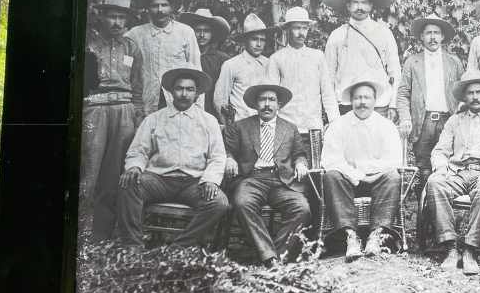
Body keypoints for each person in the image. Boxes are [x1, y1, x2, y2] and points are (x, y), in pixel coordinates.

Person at [116, 67, 228, 248]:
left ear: (197, 93)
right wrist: (135, 167)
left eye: (190, 89)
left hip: (193, 182)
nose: (184, 94)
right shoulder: (154, 119)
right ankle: (133, 246)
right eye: (179, 88)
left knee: (218, 203)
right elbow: (138, 151)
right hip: (158, 180)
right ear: (171, 91)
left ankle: (179, 246)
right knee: (128, 184)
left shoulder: (209, 121)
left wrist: (210, 181)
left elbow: (217, 156)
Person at [426, 71, 480, 276]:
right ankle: (450, 247)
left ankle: (470, 249)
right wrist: (441, 168)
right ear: (464, 97)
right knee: (434, 182)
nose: (475, 97)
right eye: (470, 93)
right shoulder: (454, 121)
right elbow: (440, 151)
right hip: (457, 172)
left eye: (479, 92)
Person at [79, 0, 144, 242]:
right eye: (112, 16)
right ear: (102, 17)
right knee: (89, 172)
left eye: (121, 17)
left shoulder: (131, 47)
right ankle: (80, 232)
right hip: (95, 111)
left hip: (125, 112)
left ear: (127, 20)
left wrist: (137, 116)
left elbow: (138, 86)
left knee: (113, 174)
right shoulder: (90, 44)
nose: (116, 22)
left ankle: (101, 234)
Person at [223, 84, 312, 267]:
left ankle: (277, 256)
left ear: (279, 104)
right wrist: (229, 158)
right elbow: (228, 150)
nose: (267, 104)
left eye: (271, 100)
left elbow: (300, 153)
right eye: (262, 100)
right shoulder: (241, 127)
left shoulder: (289, 128)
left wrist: (301, 163)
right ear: (256, 104)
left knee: (302, 209)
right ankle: (268, 256)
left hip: (281, 181)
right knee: (242, 203)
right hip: (251, 179)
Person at [320, 80, 403, 261]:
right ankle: (351, 236)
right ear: (351, 101)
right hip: (347, 182)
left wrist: (370, 174)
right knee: (331, 175)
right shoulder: (338, 125)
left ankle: (376, 235)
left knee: (393, 177)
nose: (362, 102)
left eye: (367, 97)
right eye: (358, 98)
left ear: (375, 100)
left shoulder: (386, 126)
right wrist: (358, 176)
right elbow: (330, 159)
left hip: (378, 181)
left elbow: (393, 160)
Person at [320, 0, 402, 118]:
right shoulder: (337, 35)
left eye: (364, 3)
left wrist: (393, 104)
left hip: (379, 104)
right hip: (346, 105)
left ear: (371, 5)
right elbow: (328, 77)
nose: (360, 7)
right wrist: (333, 112)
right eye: (355, 3)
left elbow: (395, 71)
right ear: (348, 5)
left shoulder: (384, 33)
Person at [396, 13, 464, 183]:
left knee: (449, 164)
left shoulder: (454, 62)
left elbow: (464, 92)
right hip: (423, 121)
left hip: (448, 119)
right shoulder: (412, 62)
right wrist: (405, 118)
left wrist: (460, 115)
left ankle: (445, 205)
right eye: (428, 33)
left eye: (436, 33)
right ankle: (423, 208)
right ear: (421, 36)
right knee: (423, 167)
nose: (432, 37)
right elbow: (403, 93)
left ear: (442, 36)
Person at [125, 0, 201, 116]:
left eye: (164, 5)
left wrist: (198, 108)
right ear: (147, 8)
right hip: (145, 102)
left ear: (171, 7)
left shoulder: (185, 32)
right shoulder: (134, 35)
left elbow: (196, 70)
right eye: (155, 5)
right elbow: (125, 70)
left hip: (178, 101)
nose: (160, 10)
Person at [266, 6, 340, 137]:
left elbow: (327, 92)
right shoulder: (276, 58)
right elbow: (271, 96)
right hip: (286, 128)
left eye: (305, 28)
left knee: (314, 158)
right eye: (297, 28)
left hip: (313, 128)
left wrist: (334, 122)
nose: (301, 33)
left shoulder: (317, 56)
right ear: (287, 30)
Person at [214, 13, 278, 124]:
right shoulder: (231, 65)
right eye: (254, 39)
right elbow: (220, 99)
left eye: (262, 40)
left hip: (266, 125)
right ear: (245, 40)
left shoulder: (270, 64)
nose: (258, 44)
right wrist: (229, 127)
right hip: (241, 125)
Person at [178, 8, 230, 118]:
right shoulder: (182, 57)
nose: (202, 35)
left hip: (211, 112)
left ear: (212, 34)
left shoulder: (222, 59)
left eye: (206, 31)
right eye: (198, 30)